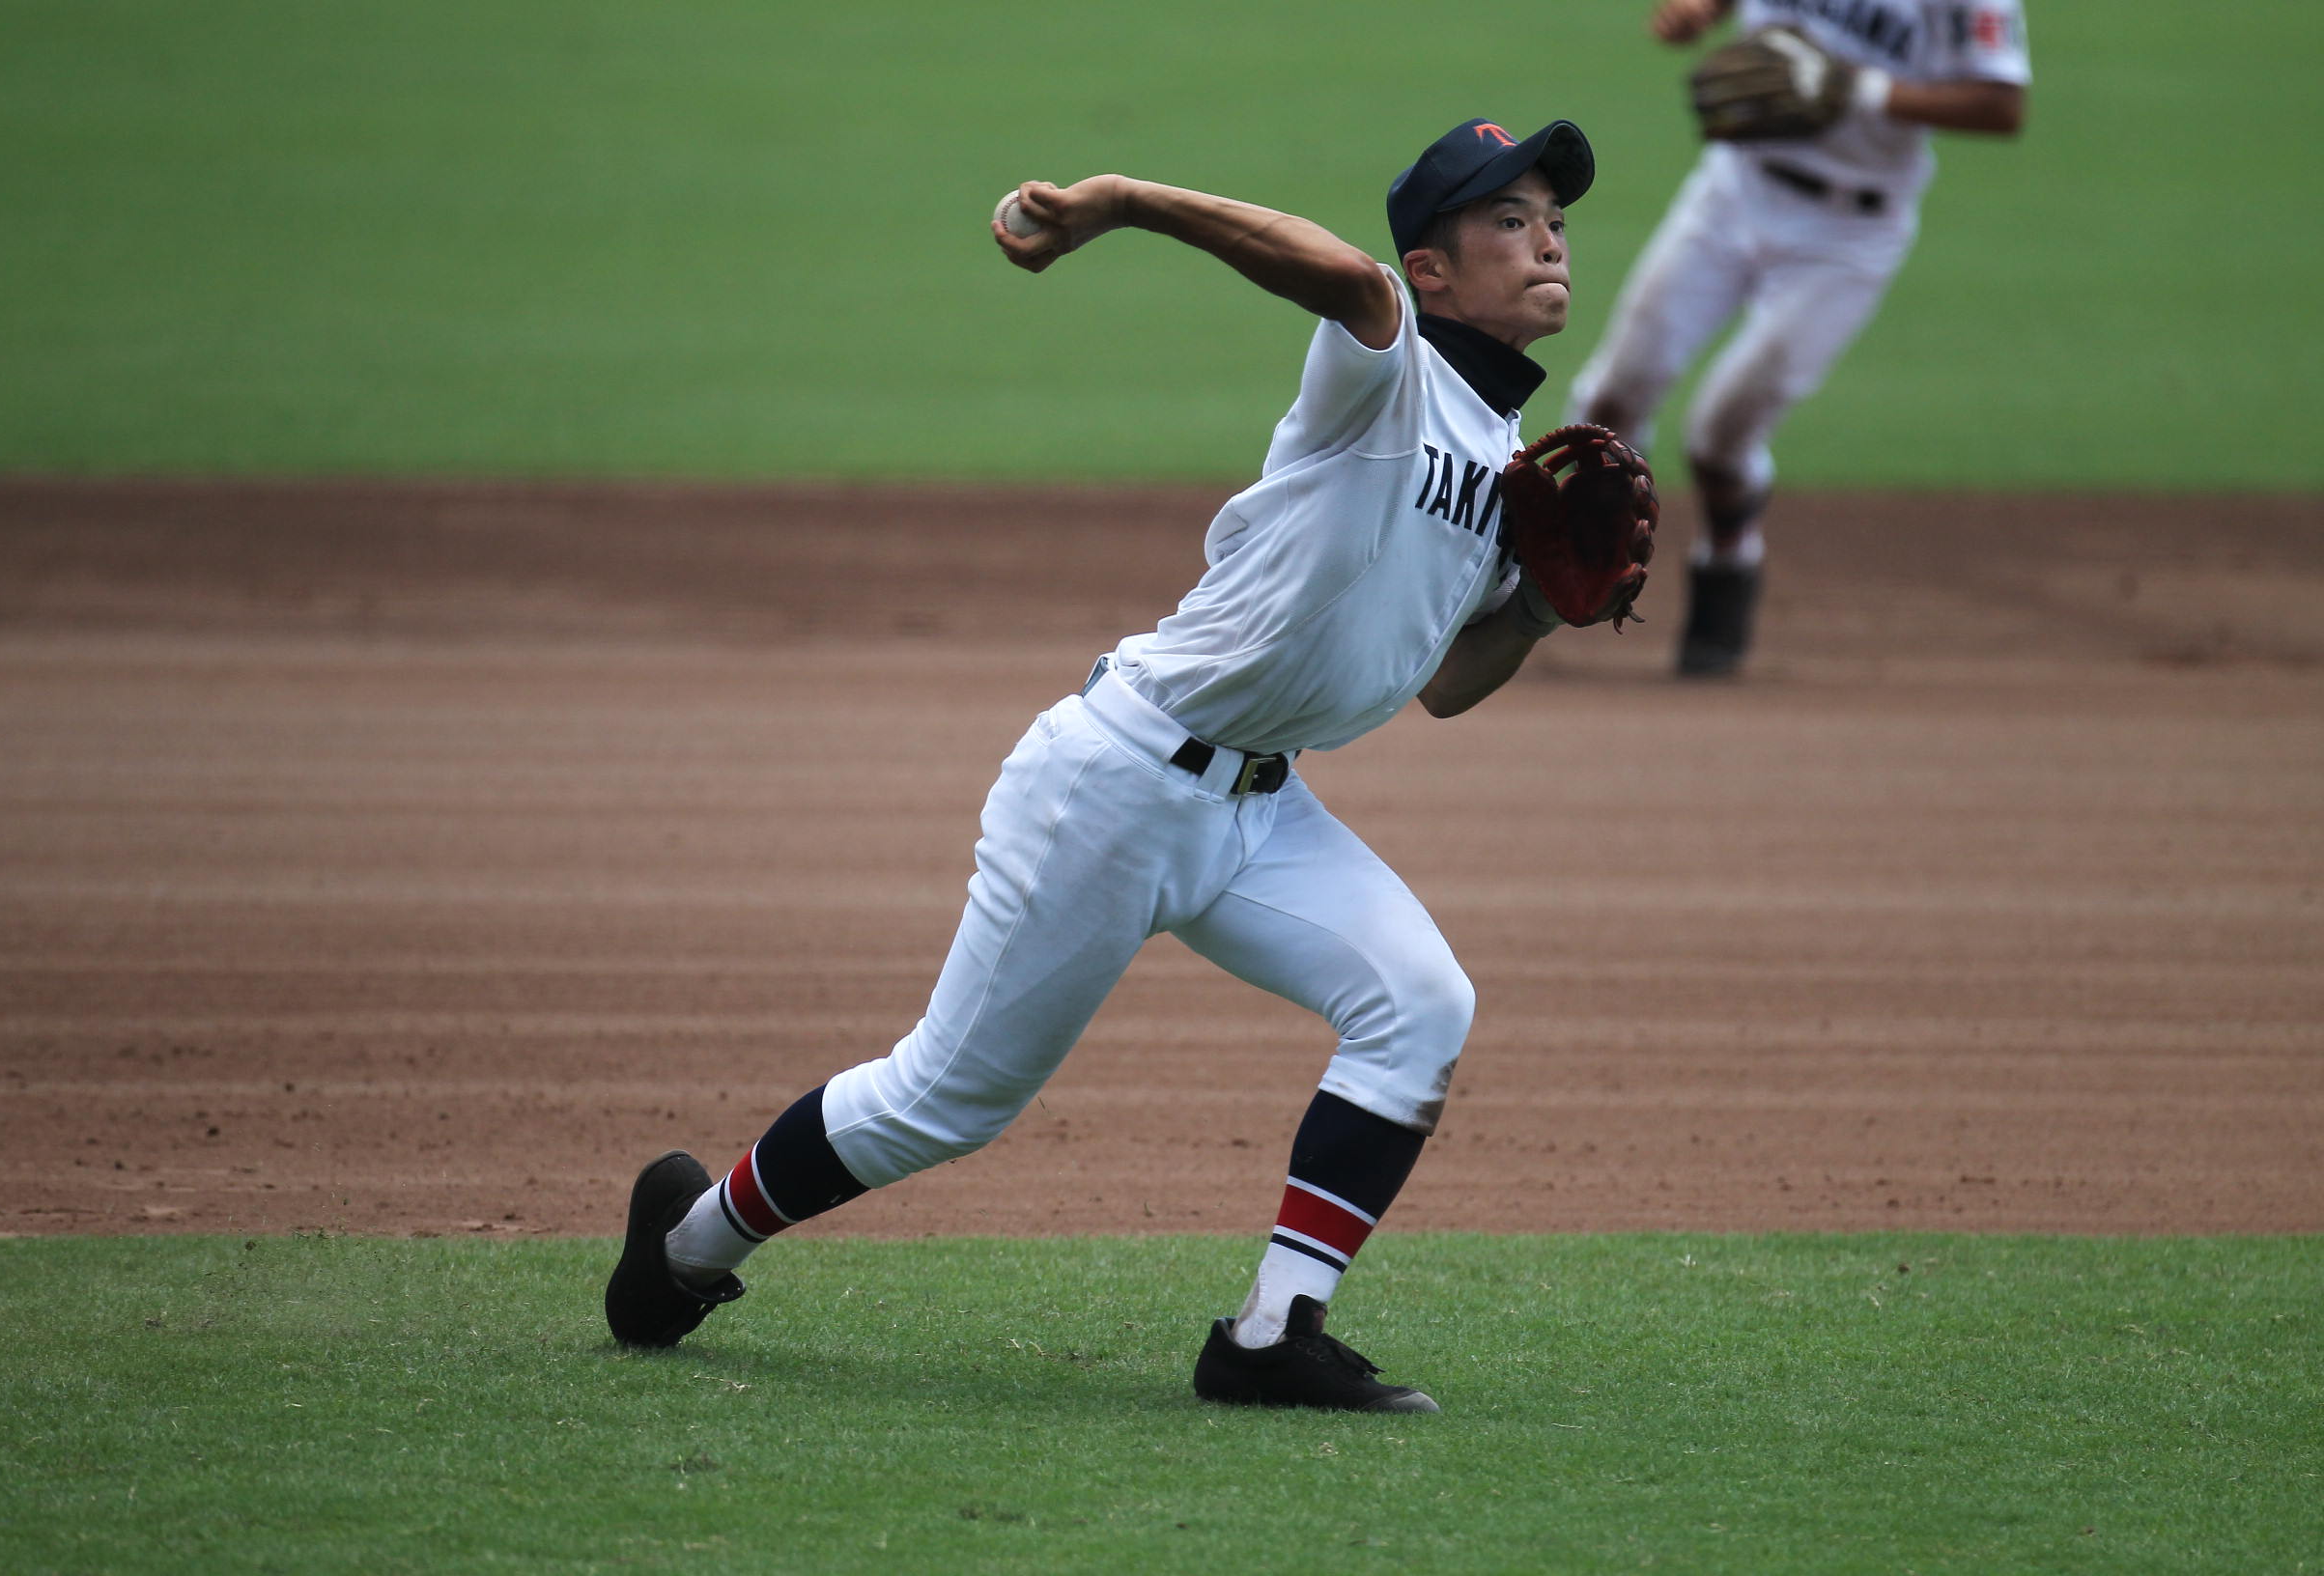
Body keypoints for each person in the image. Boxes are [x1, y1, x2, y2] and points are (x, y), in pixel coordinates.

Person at [605, 115, 1603, 1414]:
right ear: (1433, 268)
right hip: (1119, 779)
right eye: (1511, 219)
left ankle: (1268, 1336)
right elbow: (1346, 279)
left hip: (1261, 810)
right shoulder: (1387, 369)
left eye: (1558, 220)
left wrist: (1532, 608)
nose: (1549, 241)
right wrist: (1122, 200)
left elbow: (1446, 690)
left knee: (1420, 1003)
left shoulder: (1505, 471)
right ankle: (684, 1247)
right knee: (944, 1101)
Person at [1566, 0, 2028, 676]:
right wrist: (1702, 12)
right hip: (1733, 190)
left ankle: (1729, 566)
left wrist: (1860, 89)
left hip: (1850, 233)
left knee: (1722, 433)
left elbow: (2001, 106)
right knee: (1612, 397)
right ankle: (1560, 573)